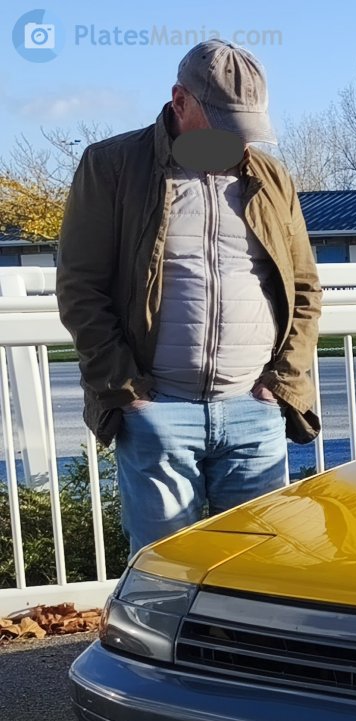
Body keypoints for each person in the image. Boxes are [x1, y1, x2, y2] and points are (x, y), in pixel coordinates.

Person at [56, 40, 321, 561]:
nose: (237, 139)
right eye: (222, 121)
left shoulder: (270, 178)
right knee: (165, 571)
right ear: (179, 101)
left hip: (254, 411)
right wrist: (127, 391)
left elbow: (305, 288)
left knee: (257, 570)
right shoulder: (111, 167)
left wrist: (283, 384)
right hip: (159, 413)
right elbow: (80, 289)